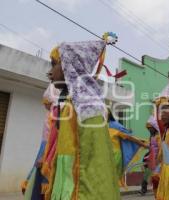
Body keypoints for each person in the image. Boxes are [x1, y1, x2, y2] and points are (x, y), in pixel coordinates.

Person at [26, 40, 121, 200]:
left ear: (69, 66)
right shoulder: (72, 102)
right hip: (64, 184)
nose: (49, 72)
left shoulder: (87, 105)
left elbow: (95, 161)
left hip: (78, 190)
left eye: (53, 64)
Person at [22, 84, 59, 199]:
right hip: (46, 146)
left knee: (41, 178)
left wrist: (43, 155)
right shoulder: (51, 112)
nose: (44, 105)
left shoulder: (55, 111)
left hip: (48, 149)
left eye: (46, 102)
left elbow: (52, 137)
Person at [107, 109, 148, 186]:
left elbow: (129, 137)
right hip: (104, 155)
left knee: (111, 177)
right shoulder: (99, 128)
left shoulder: (115, 126)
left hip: (115, 155)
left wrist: (143, 144)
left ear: (108, 114)